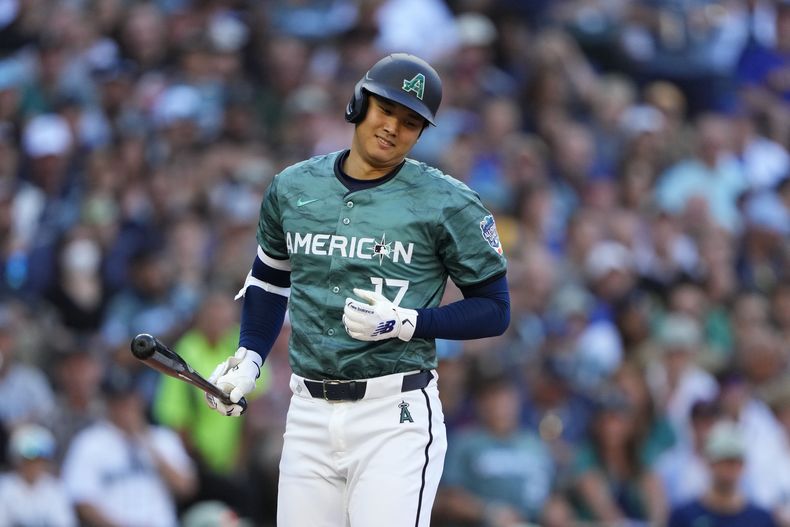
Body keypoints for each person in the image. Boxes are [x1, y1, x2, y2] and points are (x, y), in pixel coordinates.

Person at [204, 53, 510, 526]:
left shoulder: (448, 201)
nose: (393, 127)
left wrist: (408, 322)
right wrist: (249, 358)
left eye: (410, 122)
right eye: (386, 109)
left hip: (395, 412)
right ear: (358, 103)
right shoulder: (292, 187)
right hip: (307, 413)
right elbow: (269, 279)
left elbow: (495, 308)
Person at [668, 420, 778, 527]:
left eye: (736, 461)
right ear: (709, 462)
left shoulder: (761, 519)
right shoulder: (684, 516)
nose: (731, 468)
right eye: (724, 460)